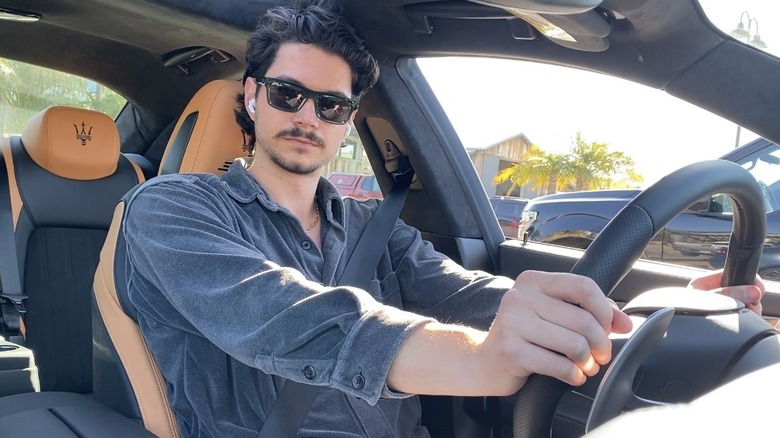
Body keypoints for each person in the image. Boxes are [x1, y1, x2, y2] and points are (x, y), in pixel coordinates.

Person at [122, 0, 766, 436]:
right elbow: (281, 316)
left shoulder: (378, 230)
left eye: (331, 106)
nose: (307, 117)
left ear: (348, 120)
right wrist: (477, 361)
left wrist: (652, 318)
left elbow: (475, 296)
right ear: (253, 95)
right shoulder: (172, 211)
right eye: (288, 94)